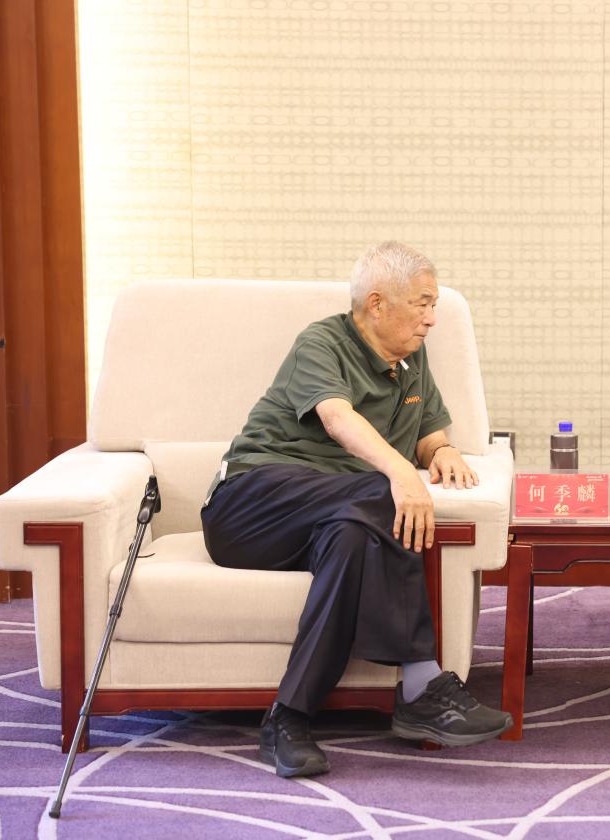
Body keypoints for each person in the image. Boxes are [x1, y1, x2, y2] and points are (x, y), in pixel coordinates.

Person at [201, 241, 512, 778]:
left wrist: (442, 451)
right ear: (376, 304)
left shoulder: (410, 361)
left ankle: (288, 719)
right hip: (249, 504)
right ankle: (422, 683)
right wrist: (400, 476)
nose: (432, 319)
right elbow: (337, 418)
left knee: (353, 539)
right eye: (422, 304)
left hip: (333, 515)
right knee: (379, 493)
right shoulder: (322, 342)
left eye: (434, 306)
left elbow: (428, 431)